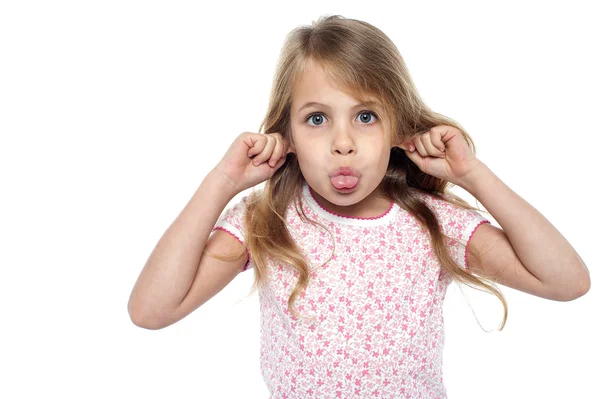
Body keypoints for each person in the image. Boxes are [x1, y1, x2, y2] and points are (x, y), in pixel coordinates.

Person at [127, 15, 590, 398]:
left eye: (365, 117)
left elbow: (567, 281)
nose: (342, 143)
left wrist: (473, 176)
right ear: (286, 135)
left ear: (396, 128)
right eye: (316, 119)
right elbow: (151, 311)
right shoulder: (264, 222)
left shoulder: (433, 222)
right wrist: (222, 182)